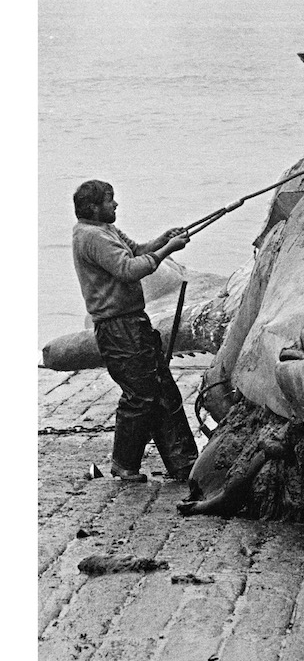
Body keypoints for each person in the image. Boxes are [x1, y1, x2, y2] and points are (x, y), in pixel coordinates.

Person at [71, 180, 199, 483]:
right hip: (117, 327)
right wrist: (169, 250)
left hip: (132, 322)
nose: (116, 205)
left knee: (162, 388)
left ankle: (184, 463)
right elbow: (129, 269)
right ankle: (124, 465)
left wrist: (161, 240)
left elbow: (136, 252)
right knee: (140, 395)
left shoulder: (105, 230)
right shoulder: (92, 237)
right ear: (93, 207)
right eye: (110, 200)